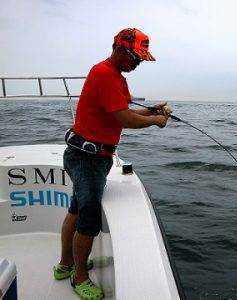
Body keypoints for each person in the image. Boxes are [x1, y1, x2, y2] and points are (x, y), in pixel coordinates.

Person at [53, 28, 168, 300]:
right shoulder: (105, 74)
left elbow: (122, 112)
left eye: (141, 59)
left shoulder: (113, 76)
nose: (138, 64)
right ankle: (79, 277)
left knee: (77, 209)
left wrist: (149, 111)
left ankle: (65, 264)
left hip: (90, 156)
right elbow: (124, 120)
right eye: (136, 58)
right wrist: (155, 121)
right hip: (87, 159)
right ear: (120, 49)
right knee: (88, 219)